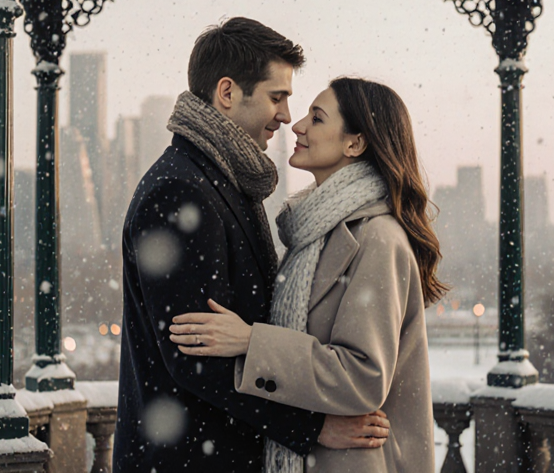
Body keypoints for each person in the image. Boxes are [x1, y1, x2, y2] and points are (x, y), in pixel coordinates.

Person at [115, 20, 391, 472]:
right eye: (276, 96)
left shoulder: (221, 179)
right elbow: (194, 356)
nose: (286, 115)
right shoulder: (182, 191)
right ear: (227, 92)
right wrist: (312, 427)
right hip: (190, 460)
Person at [170, 76, 447, 473]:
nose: (297, 125)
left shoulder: (377, 237)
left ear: (355, 143)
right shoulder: (312, 234)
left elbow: (364, 377)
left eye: (316, 118)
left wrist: (252, 341)